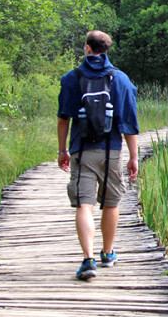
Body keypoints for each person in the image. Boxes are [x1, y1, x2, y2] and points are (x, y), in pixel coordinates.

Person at [58, 30, 139, 281]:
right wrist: (133, 156)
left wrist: (63, 151)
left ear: (87, 48)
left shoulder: (72, 78)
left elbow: (63, 118)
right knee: (111, 202)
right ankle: (107, 253)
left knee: (85, 204)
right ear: (107, 50)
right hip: (111, 151)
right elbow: (129, 122)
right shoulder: (122, 80)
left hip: (81, 151)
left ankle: (87, 259)